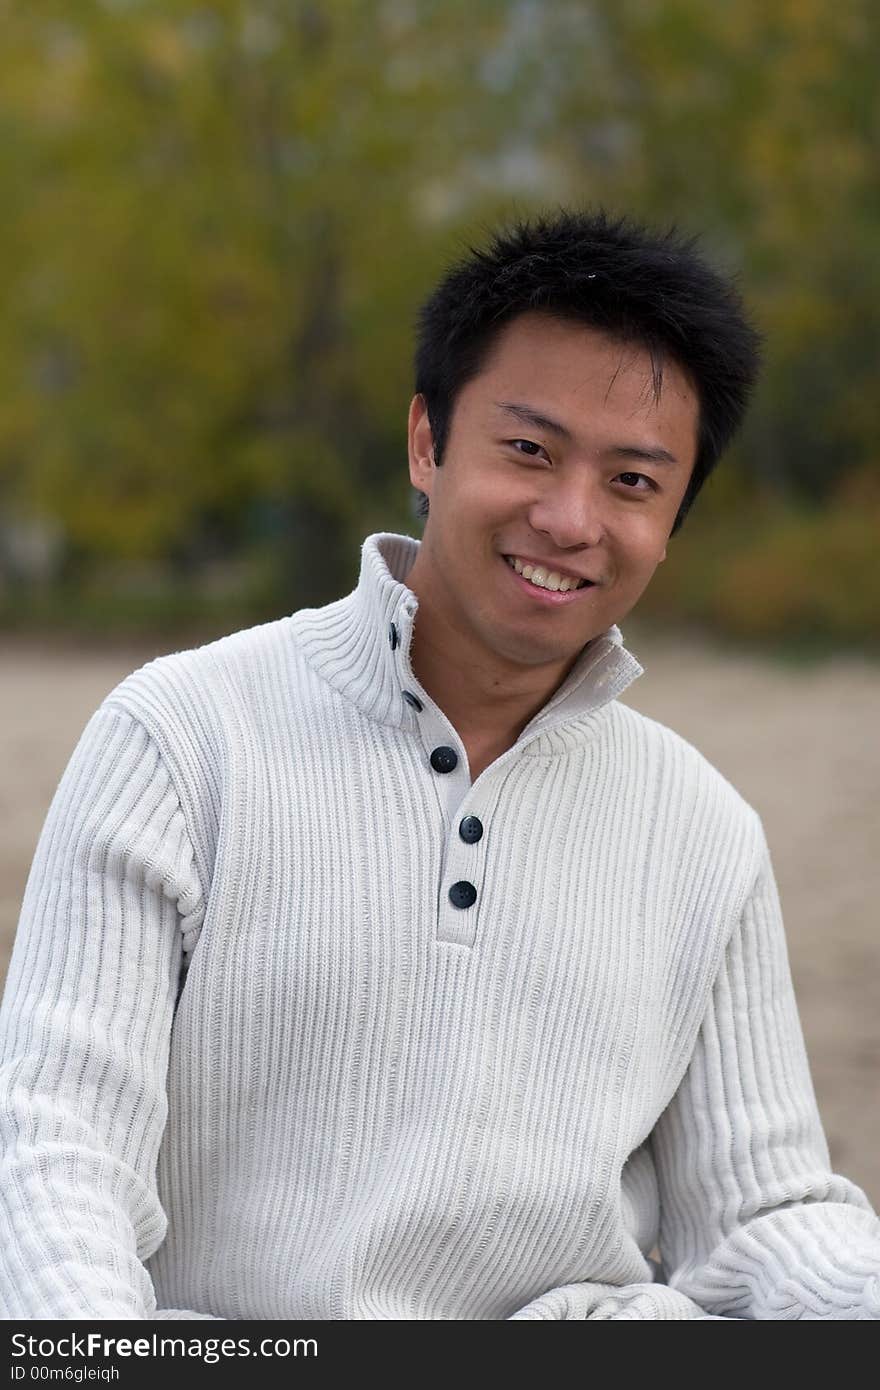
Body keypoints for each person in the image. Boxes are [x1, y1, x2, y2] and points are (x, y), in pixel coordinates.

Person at [1, 208, 879, 1321]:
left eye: (632, 483)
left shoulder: (702, 827)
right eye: (528, 450)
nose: (569, 518)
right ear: (427, 440)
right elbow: (56, 1147)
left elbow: (762, 1213)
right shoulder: (182, 737)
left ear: (673, 520)